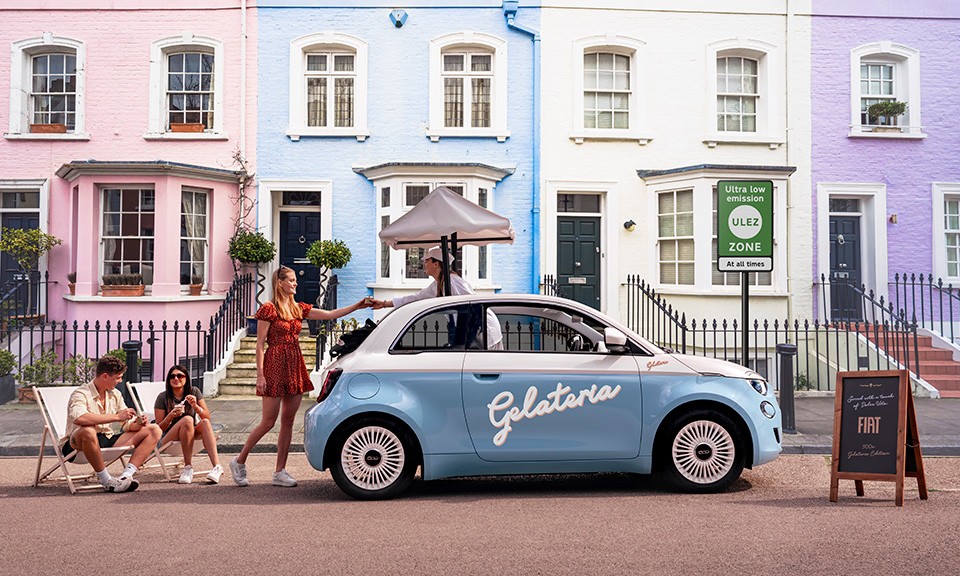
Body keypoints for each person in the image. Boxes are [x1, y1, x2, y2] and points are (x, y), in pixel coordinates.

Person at [230, 265, 372, 487]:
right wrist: (260, 375)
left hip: (294, 363)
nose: (296, 283)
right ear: (280, 283)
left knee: (288, 421)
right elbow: (259, 345)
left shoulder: (298, 309)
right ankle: (239, 461)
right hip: (274, 364)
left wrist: (358, 305)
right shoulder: (269, 309)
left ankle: (280, 471)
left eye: (296, 280)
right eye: (292, 280)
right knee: (268, 421)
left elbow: (329, 314)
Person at [372, 246, 504, 349]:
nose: (424, 263)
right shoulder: (438, 284)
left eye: (427, 261)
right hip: (475, 330)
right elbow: (414, 298)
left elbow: (469, 307)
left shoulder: (452, 282)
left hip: (486, 329)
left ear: (436, 264)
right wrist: (383, 304)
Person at [64, 355, 163, 492]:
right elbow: (79, 418)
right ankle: (106, 481)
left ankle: (125, 476)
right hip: (76, 444)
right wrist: (116, 417)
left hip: (107, 439)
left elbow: (126, 424)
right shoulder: (81, 393)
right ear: (105, 376)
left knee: (154, 429)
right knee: (88, 430)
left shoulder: (115, 394)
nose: (120, 381)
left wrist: (138, 423)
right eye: (117, 377)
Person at [154, 365, 223, 484]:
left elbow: (207, 416)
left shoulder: (194, 391)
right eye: (172, 376)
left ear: (186, 378)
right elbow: (159, 428)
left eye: (180, 375)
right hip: (168, 438)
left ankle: (217, 467)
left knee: (205, 422)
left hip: (190, 433)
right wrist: (171, 415)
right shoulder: (163, 397)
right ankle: (188, 467)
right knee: (187, 419)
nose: (176, 378)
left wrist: (195, 406)